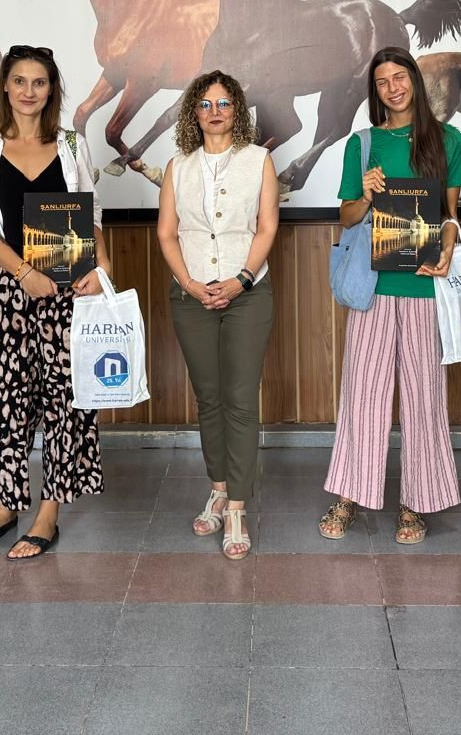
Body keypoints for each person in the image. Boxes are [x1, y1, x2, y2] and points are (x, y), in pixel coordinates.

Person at [0, 44, 108, 560]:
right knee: (6, 400)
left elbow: (91, 215)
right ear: (5, 86)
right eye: (20, 81)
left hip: (68, 290)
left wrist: (101, 267)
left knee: (66, 401)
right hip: (9, 289)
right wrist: (24, 274)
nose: (29, 91)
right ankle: (6, 504)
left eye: (39, 82)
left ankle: (48, 513)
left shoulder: (70, 144)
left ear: (51, 90)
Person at [320, 47, 461, 545]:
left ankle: (415, 503)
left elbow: (450, 217)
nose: (393, 88)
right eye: (382, 82)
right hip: (374, 288)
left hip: (425, 285)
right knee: (363, 395)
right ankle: (348, 495)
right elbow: (346, 217)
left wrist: (448, 249)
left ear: (414, 81)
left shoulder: (449, 140)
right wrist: (365, 194)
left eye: (400, 77)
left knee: (424, 399)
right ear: (375, 91)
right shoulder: (362, 144)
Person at [156, 70, 280, 560]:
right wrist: (190, 285)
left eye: (224, 103)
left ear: (237, 111)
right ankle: (219, 489)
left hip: (248, 294)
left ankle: (237, 509)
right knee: (208, 399)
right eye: (205, 104)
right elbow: (167, 233)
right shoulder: (178, 166)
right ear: (194, 112)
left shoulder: (259, 160)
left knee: (240, 400)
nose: (214, 112)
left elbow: (267, 228)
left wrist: (241, 279)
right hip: (191, 297)